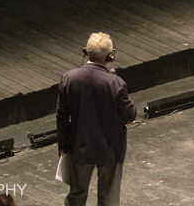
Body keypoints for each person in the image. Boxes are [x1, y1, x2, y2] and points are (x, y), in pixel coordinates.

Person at [56, 32, 137, 206]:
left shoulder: (68, 78)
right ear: (111, 56)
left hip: (80, 147)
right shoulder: (115, 83)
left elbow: (61, 116)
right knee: (108, 198)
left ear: (86, 52)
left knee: (76, 195)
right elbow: (130, 115)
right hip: (110, 149)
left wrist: (64, 146)